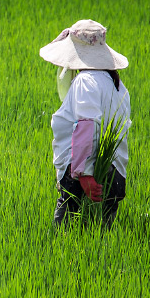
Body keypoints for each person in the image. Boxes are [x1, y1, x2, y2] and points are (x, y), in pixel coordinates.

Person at [40, 19, 131, 227]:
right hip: (115, 171)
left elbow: (86, 127)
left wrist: (84, 174)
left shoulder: (85, 81)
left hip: (83, 176)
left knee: (66, 235)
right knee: (103, 235)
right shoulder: (117, 86)